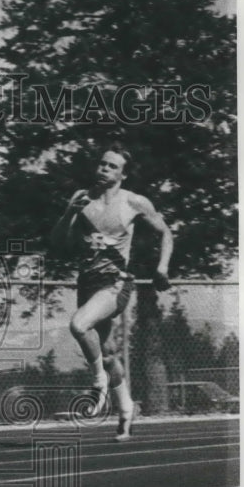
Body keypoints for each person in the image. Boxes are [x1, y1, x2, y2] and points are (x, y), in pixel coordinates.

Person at [51, 145, 174, 441]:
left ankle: (99, 387)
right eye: (102, 164)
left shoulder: (134, 202)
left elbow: (166, 233)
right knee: (106, 355)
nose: (104, 169)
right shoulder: (82, 199)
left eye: (111, 166)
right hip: (88, 283)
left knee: (79, 325)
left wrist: (162, 268)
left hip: (116, 284)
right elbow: (56, 243)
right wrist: (70, 213)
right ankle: (127, 409)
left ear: (123, 173)